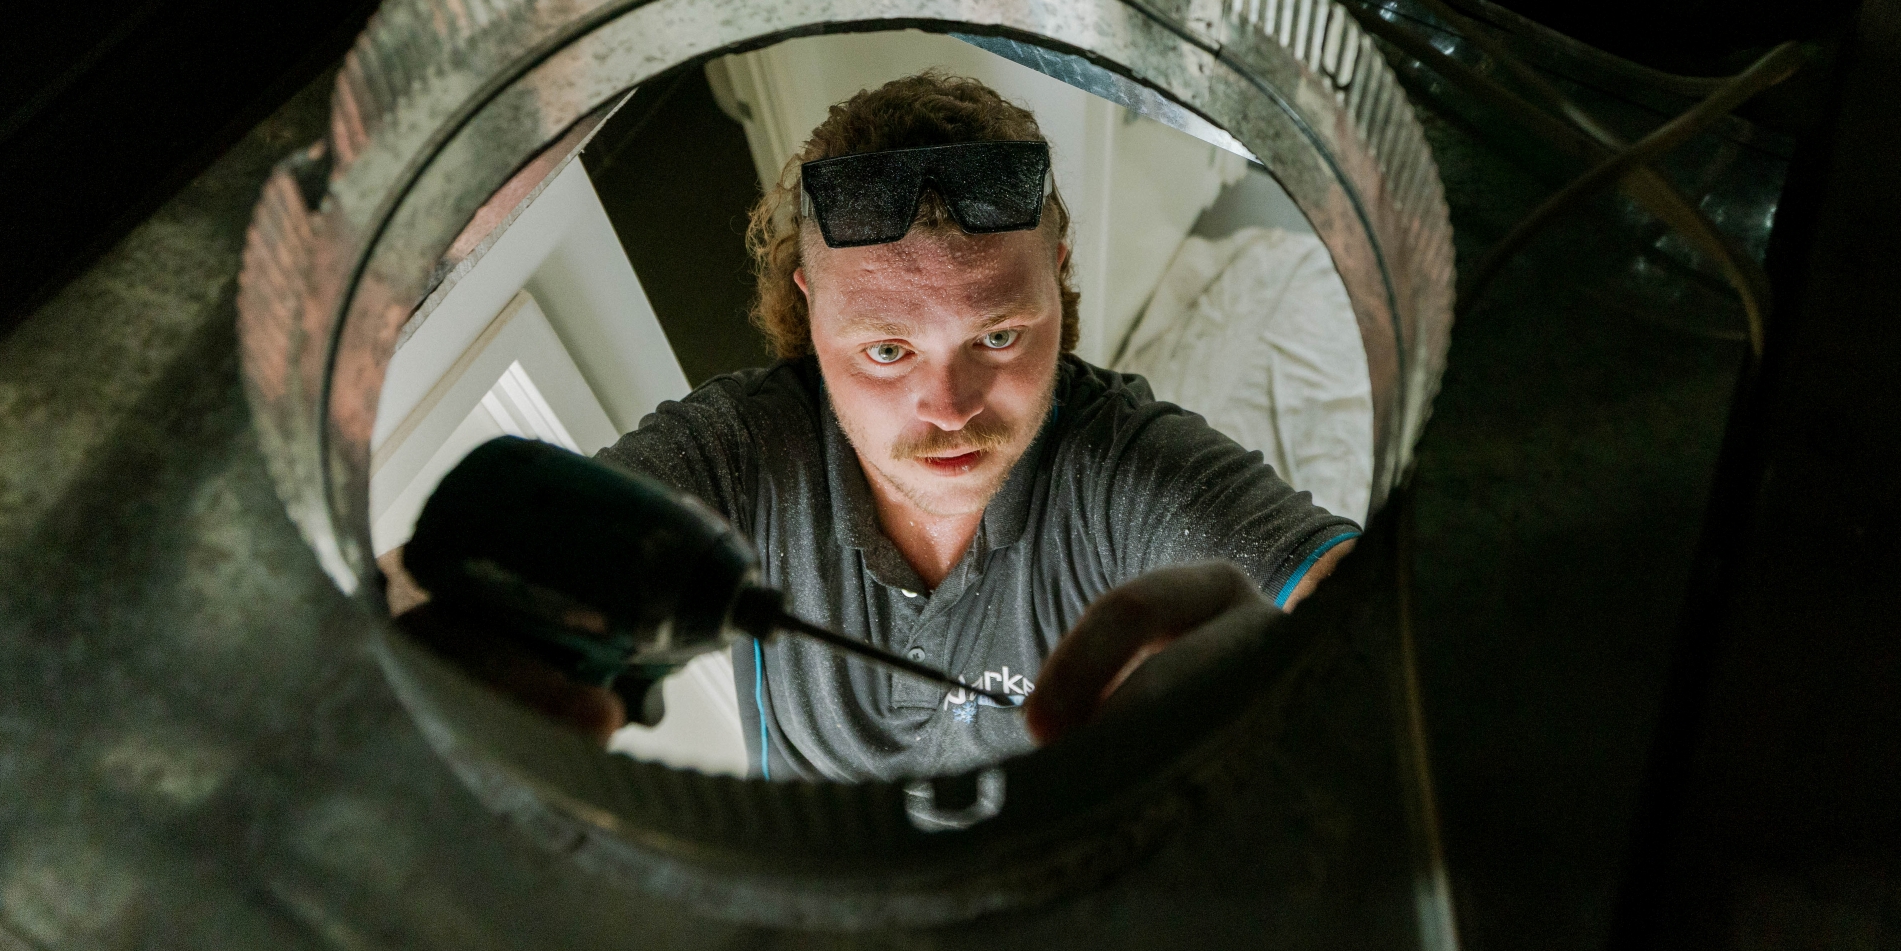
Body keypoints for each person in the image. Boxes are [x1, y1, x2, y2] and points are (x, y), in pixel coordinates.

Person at [404, 70, 1361, 782]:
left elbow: (1359, 593)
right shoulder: (739, 455)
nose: (950, 408)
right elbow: (459, 587)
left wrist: (1325, 674)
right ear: (808, 302)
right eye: (888, 351)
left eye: (998, 332)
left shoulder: (1128, 464)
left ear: (1058, 278)